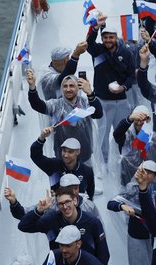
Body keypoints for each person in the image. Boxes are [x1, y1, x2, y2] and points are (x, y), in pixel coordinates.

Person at [107, 160, 156, 265]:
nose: (146, 175)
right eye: (144, 171)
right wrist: (123, 206)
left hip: (155, 236)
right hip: (137, 236)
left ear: (155, 176)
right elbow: (111, 203)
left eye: (150, 173)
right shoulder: (131, 188)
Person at [87, 14, 135, 165]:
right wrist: (95, 28)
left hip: (121, 101)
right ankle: (104, 162)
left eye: (111, 37)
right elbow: (89, 41)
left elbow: (131, 77)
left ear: (116, 38)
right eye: (105, 37)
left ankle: (124, 160)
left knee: (123, 132)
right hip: (102, 101)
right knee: (103, 134)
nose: (108, 40)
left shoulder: (126, 53)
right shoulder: (97, 50)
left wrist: (123, 88)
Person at [18, 187, 109, 265]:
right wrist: (39, 210)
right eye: (61, 204)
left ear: (75, 201)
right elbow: (23, 226)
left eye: (67, 202)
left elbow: (104, 254)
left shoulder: (92, 222)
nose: (65, 206)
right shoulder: (52, 219)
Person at [27, 71, 103, 163]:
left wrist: (90, 93)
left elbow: (98, 114)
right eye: (65, 86)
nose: (68, 89)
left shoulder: (86, 103)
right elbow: (37, 105)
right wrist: (32, 87)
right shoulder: (56, 105)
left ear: (78, 88)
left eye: (71, 86)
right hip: (63, 158)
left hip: (84, 156)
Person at [30, 127, 96, 199]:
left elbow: (90, 195)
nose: (66, 155)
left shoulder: (87, 171)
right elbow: (35, 156)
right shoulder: (54, 166)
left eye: (70, 152)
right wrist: (41, 138)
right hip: (57, 206)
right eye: (64, 151)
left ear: (78, 152)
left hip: (76, 208)